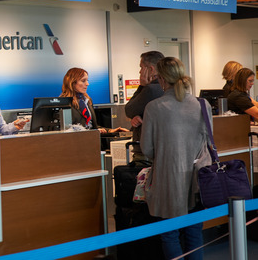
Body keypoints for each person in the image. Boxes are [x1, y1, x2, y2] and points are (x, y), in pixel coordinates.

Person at [142, 57, 209, 260]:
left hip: (167, 179)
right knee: (194, 233)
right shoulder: (202, 104)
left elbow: (147, 149)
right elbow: (207, 141)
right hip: (198, 180)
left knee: (170, 235)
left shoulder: (154, 107)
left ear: (161, 79)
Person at [124, 51, 164, 164]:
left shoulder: (151, 89)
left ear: (151, 69)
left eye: (141, 67)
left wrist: (141, 86)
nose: (140, 71)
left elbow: (129, 109)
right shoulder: (167, 88)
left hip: (145, 153)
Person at [61, 67, 126, 134]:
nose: (87, 84)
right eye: (83, 81)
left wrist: (109, 130)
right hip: (75, 141)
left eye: (87, 81)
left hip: (91, 140)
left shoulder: (87, 101)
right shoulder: (64, 103)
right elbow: (65, 129)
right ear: (72, 83)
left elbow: (92, 126)